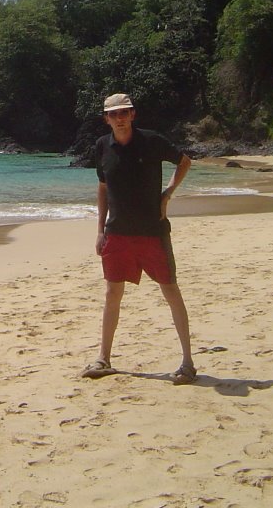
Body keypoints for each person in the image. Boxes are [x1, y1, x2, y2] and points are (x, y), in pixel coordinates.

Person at [81, 93, 195, 384]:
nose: (119, 118)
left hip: (152, 232)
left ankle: (187, 363)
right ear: (106, 119)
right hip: (116, 232)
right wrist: (100, 230)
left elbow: (184, 162)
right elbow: (103, 187)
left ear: (132, 115)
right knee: (112, 295)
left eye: (124, 113)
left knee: (171, 291)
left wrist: (167, 194)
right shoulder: (102, 147)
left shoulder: (152, 141)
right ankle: (104, 358)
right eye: (113, 114)